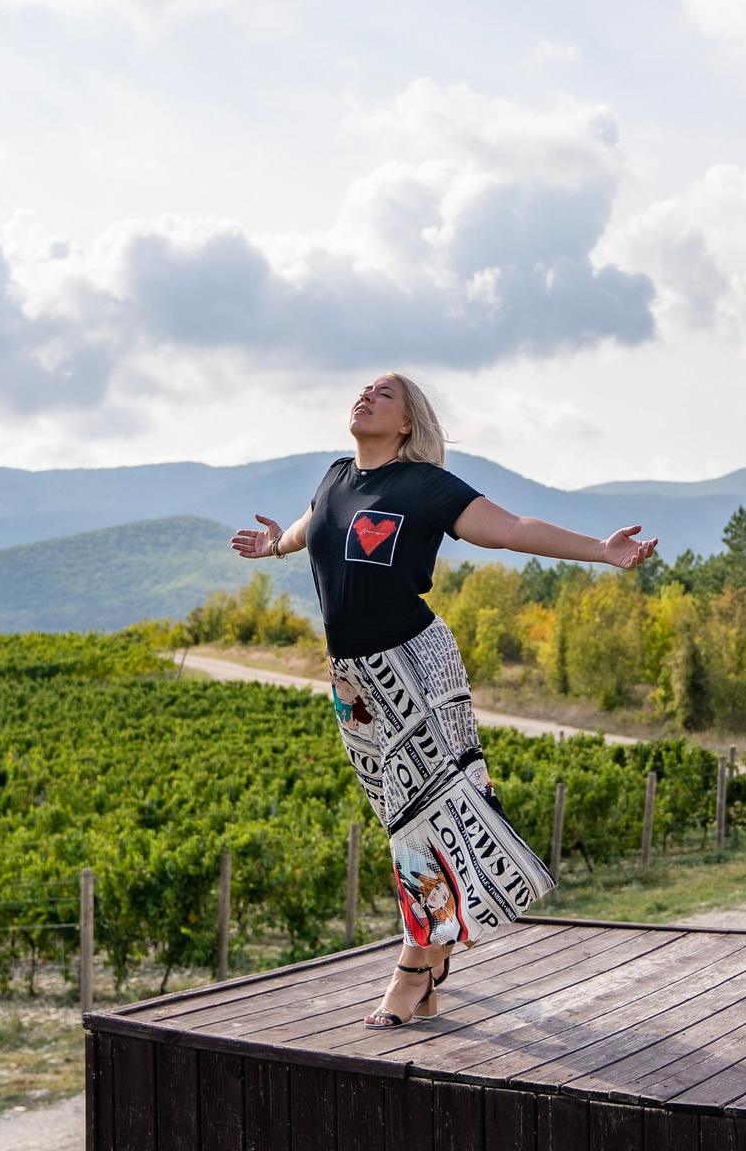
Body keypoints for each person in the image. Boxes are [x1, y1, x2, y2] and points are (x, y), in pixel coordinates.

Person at [232, 372, 658, 1029]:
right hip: (351, 678)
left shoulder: (424, 486)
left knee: (416, 814)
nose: (367, 395)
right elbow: (315, 524)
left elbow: (510, 527)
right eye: (364, 388)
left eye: (386, 394)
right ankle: (434, 950)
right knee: (398, 815)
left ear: (407, 423)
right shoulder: (336, 477)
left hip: (414, 660)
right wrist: (275, 546)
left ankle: (414, 965)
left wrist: (600, 551)